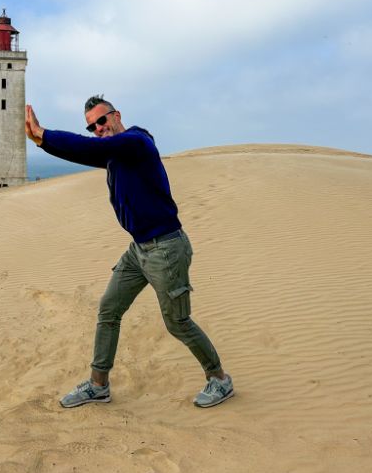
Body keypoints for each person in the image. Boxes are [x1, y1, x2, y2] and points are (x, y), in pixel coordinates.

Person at [25, 96, 234, 409]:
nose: (98, 129)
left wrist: (45, 133)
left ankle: (219, 380)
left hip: (166, 249)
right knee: (109, 309)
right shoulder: (115, 154)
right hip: (139, 251)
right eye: (92, 126)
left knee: (177, 322)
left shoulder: (135, 143)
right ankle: (98, 385)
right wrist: (43, 143)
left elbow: (92, 148)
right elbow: (84, 152)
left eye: (101, 120)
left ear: (116, 115)